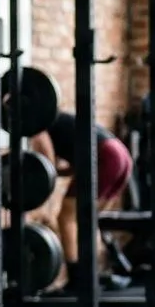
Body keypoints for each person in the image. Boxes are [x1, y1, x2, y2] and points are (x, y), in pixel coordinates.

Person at [25, 109, 133, 293]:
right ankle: (94, 275)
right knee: (88, 220)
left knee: (66, 217)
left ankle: (77, 280)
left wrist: (46, 207)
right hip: (120, 155)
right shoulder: (57, 119)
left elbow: (47, 162)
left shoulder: (35, 121)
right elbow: (65, 167)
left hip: (104, 156)